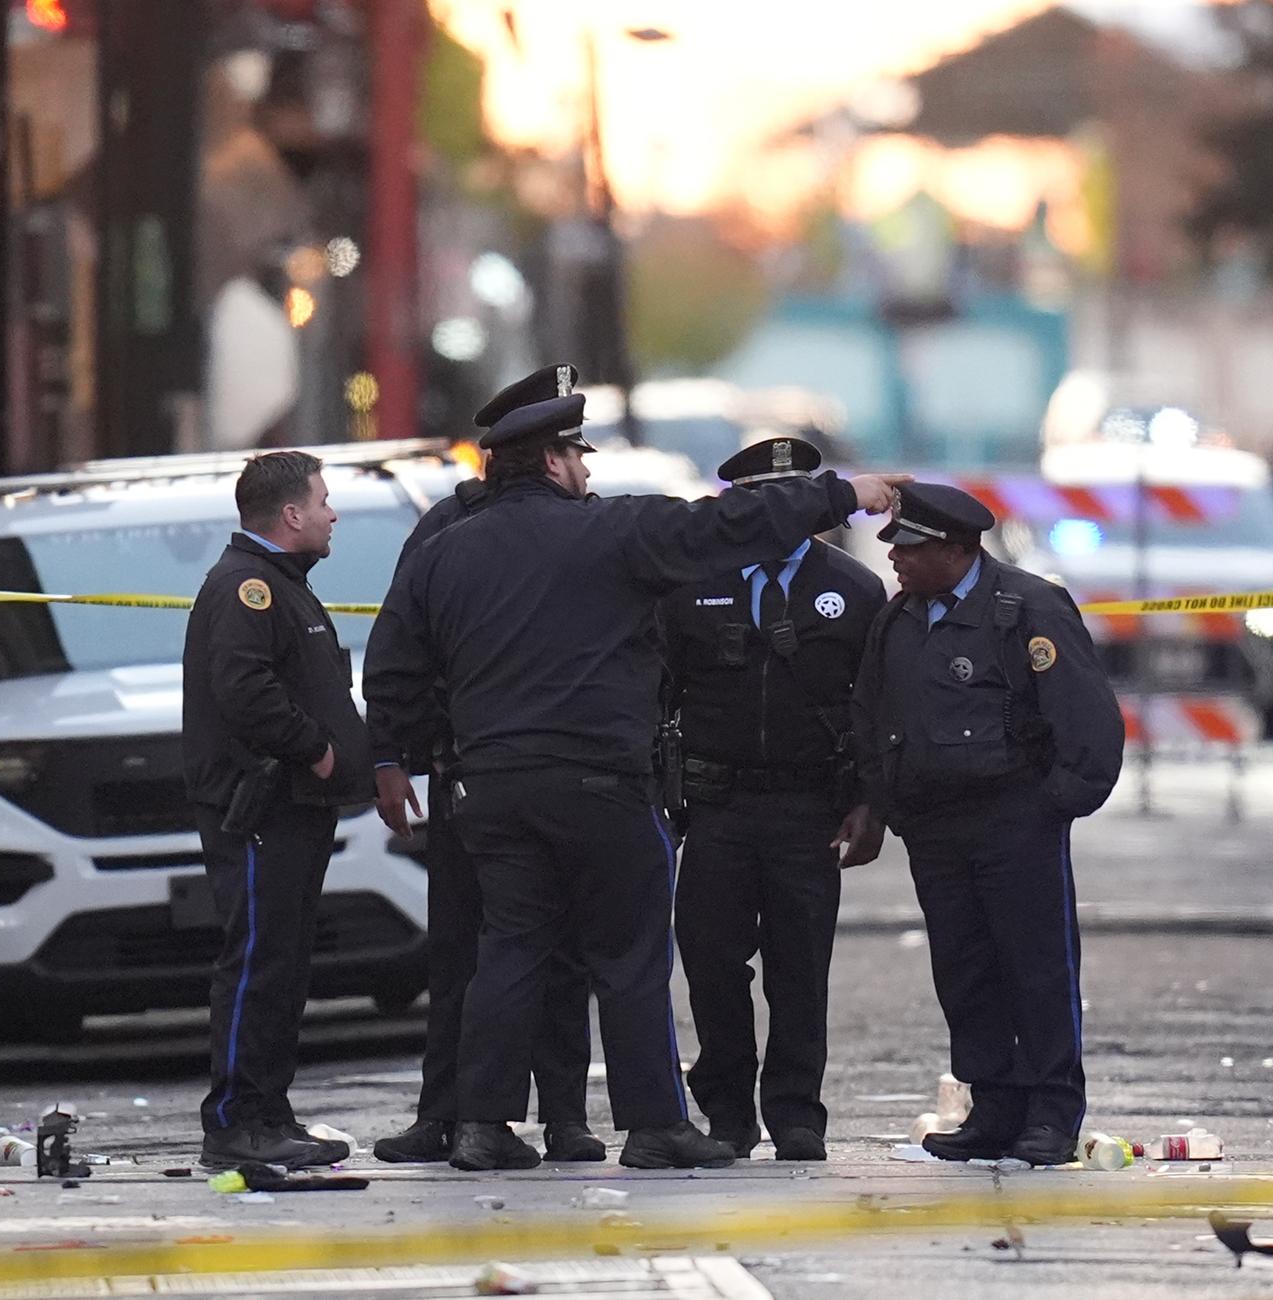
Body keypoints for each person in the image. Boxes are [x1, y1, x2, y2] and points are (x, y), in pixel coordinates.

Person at [365, 394, 909, 1171]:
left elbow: (393, 662)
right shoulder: (615, 532)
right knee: (628, 956)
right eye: (579, 454)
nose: (587, 467)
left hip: (491, 788)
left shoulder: (446, 550)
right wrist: (844, 492)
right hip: (600, 787)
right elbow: (726, 526)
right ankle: (655, 1125)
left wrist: (390, 758)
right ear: (552, 461)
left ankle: (481, 1125)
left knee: (509, 950)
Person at [850, 482, 1123, 1168]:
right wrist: (888, 804)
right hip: (936, 827)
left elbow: (1085, 717)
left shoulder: (1025, 607)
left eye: (910, 549)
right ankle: (994, 1105)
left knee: (1034, 967)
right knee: (965, 971)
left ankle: (1052, 1113)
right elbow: (874, 715)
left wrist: (1053, 805)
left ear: (958, 547)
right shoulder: (900, 620)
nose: (896, 561)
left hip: (1013, 820)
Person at [371, 366, 602, 1166]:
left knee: (561, 950)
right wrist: (392, 757)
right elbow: (399, 651)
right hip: (464, 766)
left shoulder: (587, 526)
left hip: (540, 768)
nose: (581, 466)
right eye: (569, 449)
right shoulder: (448, 527)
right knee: (460, 950)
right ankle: (446, 1112)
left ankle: (565, 1116)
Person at [659, 437, 888, 1162]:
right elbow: (657, 691)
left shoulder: (853, 589)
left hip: (807, 807)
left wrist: (868, 802)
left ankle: (797, 1113)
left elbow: (873, 708)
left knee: (800, 967)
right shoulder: (692, 584)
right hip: (717, 808)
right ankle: (726, 1111)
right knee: (711, 963)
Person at [182, 450, 374, 1170]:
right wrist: (316, 748)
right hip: (263, 805)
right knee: (260, 959)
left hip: (294, 808)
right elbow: (245, 690)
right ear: (290, 514)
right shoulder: (248, 588)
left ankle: (268, 1111)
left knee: (285, 965)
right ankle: (234, 1121)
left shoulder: (279, 583)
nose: (333, 514)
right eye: (323, 501)